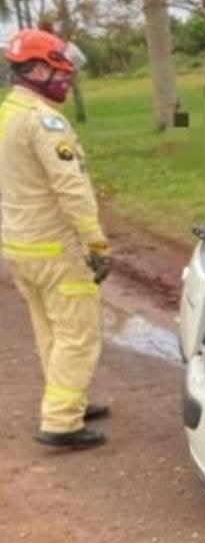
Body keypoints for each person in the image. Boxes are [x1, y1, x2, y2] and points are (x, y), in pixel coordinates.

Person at [1, 28, 112, 450]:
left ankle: (68, 400)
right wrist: (95, 242)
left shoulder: (8, 113)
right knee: (77, 335)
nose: (67, 77)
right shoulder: (43, 122)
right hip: (56, 247)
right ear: (36, 68)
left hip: (20, 247)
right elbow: (71, 188)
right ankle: (63, 421)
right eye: (60, 68)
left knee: (50, 331)